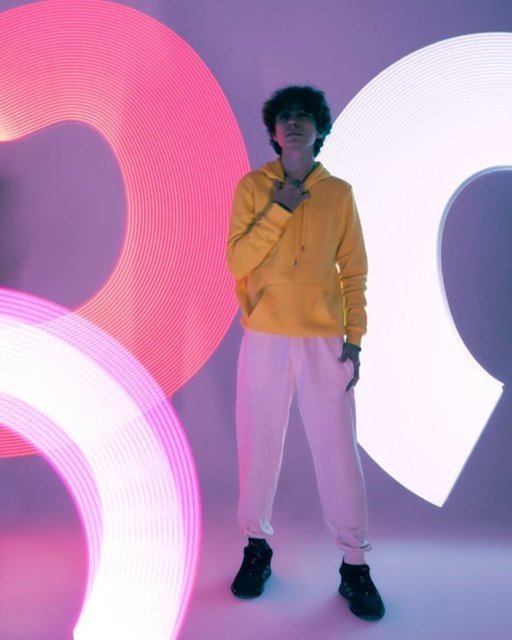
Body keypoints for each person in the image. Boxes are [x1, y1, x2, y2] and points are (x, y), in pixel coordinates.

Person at [226, 85, 384, 620]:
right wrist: (279, 209)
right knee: (258, 445)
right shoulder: (253, 187)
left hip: (323, 339)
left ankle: (355, 564)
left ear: (319, 129)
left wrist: (355, 338)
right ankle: (256, 548)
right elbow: (237, 260)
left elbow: (354, 271)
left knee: (338, 451)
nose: (293, 123)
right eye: (285, 117)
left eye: (304, 116)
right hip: (266, 336)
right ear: (273, 131)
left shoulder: (338, 193)